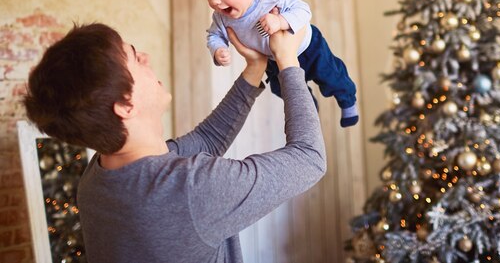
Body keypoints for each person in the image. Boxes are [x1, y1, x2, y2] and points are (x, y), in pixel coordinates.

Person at [23, 22, 326, 263]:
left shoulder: (98, 178)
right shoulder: (191, 189)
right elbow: (310, 158)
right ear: (125, 105)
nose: (146, 57)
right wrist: (288, 62)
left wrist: (254, 69)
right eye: (134, 57)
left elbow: (207, 140)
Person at [197, 0, 359, 127]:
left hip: (308, 47)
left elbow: (303, 10)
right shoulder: (222, 18)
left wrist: (280, 21)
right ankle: (309, 107)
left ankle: (347, 101)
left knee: (331, 76)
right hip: (273, 62)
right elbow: (214, 36)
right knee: (282, 90)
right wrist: (218, 50)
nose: (214, 1)